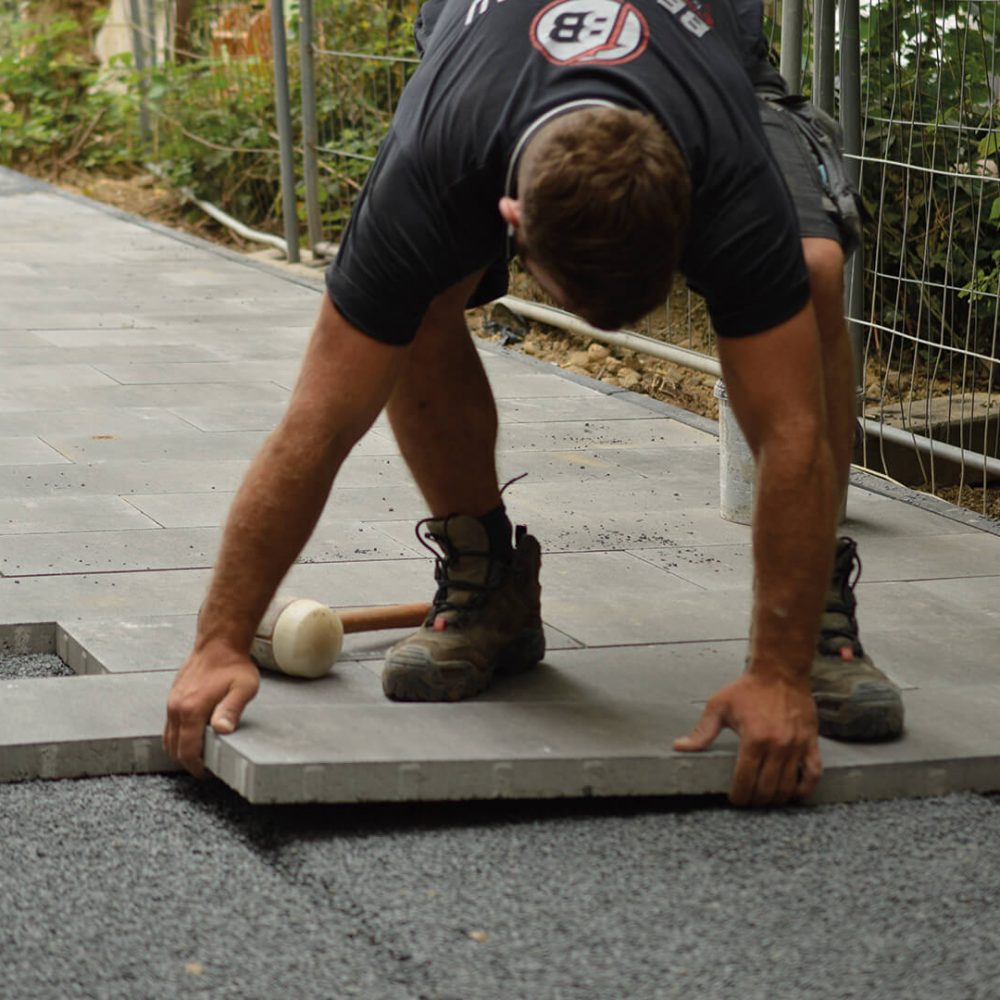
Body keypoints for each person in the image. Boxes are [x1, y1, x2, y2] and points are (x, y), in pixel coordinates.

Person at [164, 0, 904, 806]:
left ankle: (811, 613)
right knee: (416, 299)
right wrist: (219, 642)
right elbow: (318, 423)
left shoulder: (724, 163)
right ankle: (489, 581)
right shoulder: (437, 156)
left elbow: (789, 433)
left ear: (691, 212)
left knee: (811, 269)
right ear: (509, 216)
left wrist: (777, 675)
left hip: (705, 52)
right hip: (485, 58)